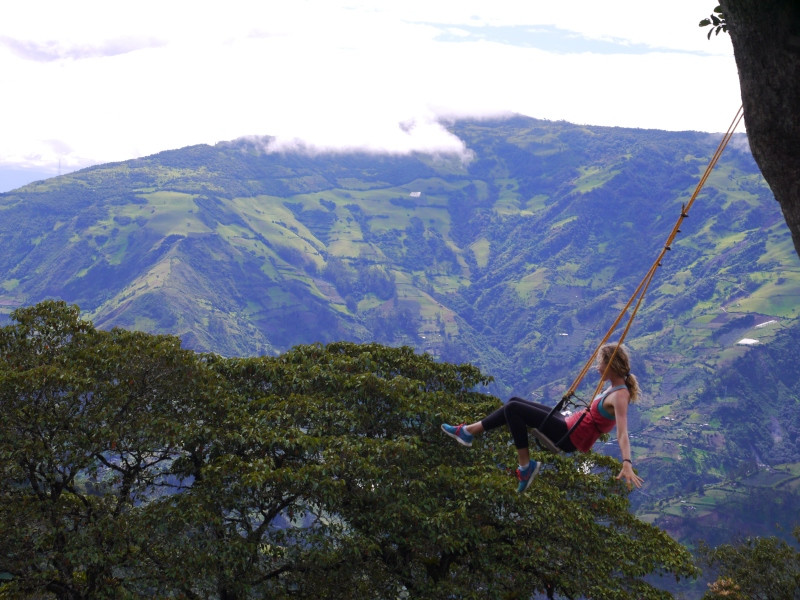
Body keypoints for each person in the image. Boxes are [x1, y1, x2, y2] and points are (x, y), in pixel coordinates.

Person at [441, 343, 644, 493]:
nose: (597, 368)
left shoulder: (620, 396)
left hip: (568, 435)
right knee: (513, 401)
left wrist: (626, 461)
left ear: (611, 366)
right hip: (568, 422)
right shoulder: (614, 385)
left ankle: (525, 466)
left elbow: (622, 432)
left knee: (513, 409)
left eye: (601, 363)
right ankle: (467, 432)